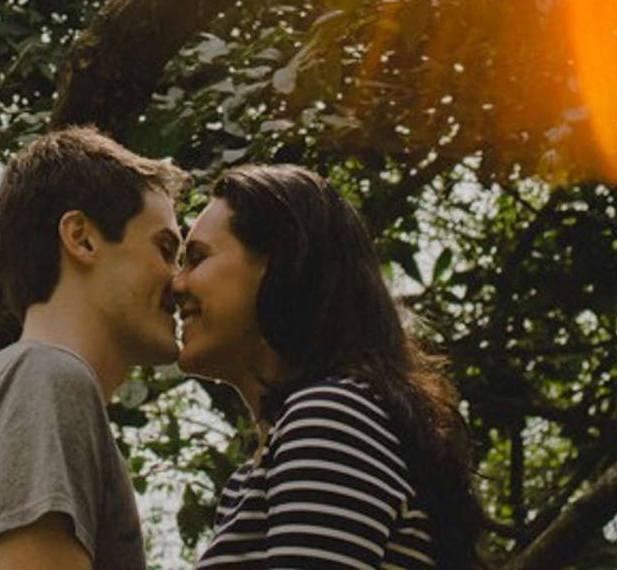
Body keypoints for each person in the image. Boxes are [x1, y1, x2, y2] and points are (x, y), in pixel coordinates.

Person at [173, 164, 484, 570]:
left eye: (196, 258)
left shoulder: (331, 416)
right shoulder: (259, 471)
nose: (176, 284)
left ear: (278, 265)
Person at [0, 126, 186, 570]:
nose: (179, 280)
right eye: (165, 248)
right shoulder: (46, 379)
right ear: (81, 238)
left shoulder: (2, 384)